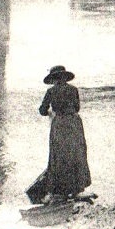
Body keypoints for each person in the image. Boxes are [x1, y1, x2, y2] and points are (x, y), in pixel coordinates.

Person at [38, 65, 91, 203]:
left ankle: (60, 191)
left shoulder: (51, 91)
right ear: (65, 77)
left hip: (59, 125)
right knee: (76, 154)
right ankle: (77, 189)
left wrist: (51, 112)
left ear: (54, 79)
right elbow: (77, 108)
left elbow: (42, 110)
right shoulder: (73, 90)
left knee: (58, 156)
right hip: (74, 124)